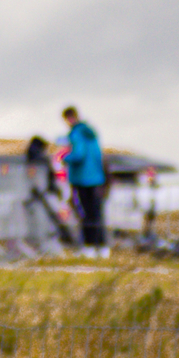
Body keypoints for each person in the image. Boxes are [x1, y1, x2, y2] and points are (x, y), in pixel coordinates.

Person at [62, 106, 106, 254]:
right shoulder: (91, 133)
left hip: (81, 178)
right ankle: (102, 245)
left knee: (85, 213)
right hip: (96, 178)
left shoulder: (76, 134)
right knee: (96, 212)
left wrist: (65, 158)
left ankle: (89, 246)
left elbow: (78, 154)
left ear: (68, 118)